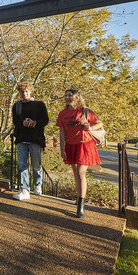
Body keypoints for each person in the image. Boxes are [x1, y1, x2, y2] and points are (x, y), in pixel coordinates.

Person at [56, 89, 103, 218]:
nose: (67, 97)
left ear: (77, 97)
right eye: (65, 95)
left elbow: (100, 123)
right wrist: (62, 149)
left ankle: (81, 205)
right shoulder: (62, 114)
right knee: (76, 173)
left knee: (81, 172)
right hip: (71, 145)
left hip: (85, 145)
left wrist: (90, 127)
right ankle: (79, 197)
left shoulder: (85, 111)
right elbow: (62, 134)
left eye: (70, 95)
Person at [11, 82, 49, 200]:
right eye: (22, 91)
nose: (25, 93)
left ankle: (37, 185)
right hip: (22, 139)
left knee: (36, 165)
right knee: (22, 164)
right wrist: (22, 123)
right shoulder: (16, 105)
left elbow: (45, 120)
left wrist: (34, 123)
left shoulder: (39, 105)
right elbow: (15, 122)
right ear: (19, 92)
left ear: (30, 91)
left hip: (35, 139)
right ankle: (24, 189)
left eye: (27, 91)